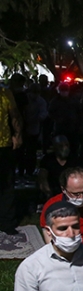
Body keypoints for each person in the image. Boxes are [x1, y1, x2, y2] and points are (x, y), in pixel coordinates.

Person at [0, 86, 22, 234]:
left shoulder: (5, 93)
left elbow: (14, 115)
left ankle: (6, 222)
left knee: (7, 184)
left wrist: (18, 134)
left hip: (3, 145)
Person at [49, 83, 82, 159]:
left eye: (65, 90)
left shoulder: (74, 100)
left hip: (73, 128)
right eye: (62, 90)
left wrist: (79, 124)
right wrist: (58, 119)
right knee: (60, 147)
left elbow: (79, 112)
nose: (64, 92)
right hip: (60, 128)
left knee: (73, 147)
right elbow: (51, 112)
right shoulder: (55, 101)